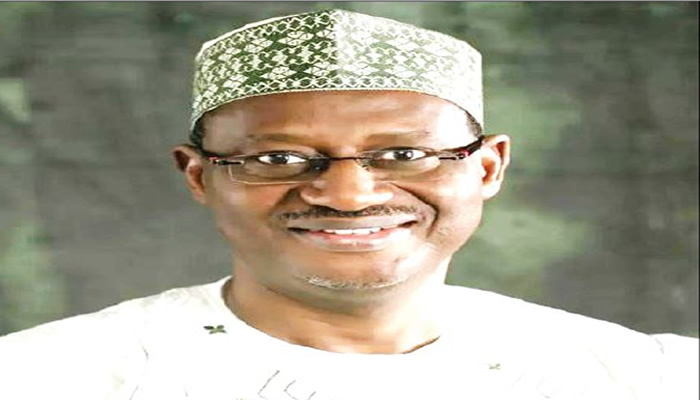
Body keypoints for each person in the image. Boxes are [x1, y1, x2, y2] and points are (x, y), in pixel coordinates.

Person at [0, 9, 696, 400]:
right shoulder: (47, 378)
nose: (347, 194)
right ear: (199, 175)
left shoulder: (649, 378)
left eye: (404, 153)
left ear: (487, 167)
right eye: (278, 159)